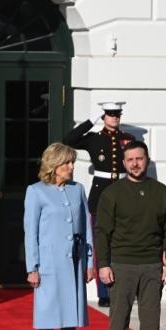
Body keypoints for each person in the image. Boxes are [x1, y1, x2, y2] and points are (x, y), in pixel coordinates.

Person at [95, 140, 166, 330]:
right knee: (118, 324)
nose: (135, 164)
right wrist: (103, 264)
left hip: (152, 266)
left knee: (151, 325)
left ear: (147, 160)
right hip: (121, 267)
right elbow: (102, 232)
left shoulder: (161, 192)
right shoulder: (112, 193)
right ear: (124, 163)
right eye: (130, 159)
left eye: (139, 159)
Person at [23, 143, 95, 330]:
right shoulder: (36, 192)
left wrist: (89, 263)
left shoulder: (78, 190)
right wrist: (32, 267)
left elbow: (86, 228)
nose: (72, 167)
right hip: (49, 267)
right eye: (67, 163)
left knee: (70, 321)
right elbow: (30, 232)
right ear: (53, 165)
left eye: (72, 162)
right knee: (46, 322)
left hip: (74, 265)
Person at [63, 101, 134, 307]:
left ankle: (123, 287)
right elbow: (69, 139)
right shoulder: (94, 139)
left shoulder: (128, 139)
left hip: (123, 192)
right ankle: (104, 293)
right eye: (110, 115)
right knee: (101, 242)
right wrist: (90, 120)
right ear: (104, 117)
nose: (115, 118)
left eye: (117, 115)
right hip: (100, 193)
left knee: (123, 242)